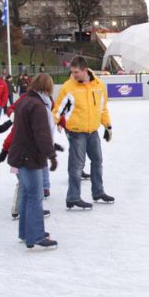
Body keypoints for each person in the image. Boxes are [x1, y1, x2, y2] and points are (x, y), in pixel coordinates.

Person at [53, 56, 114, 210]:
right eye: (72, 72)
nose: (74, 75)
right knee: (77, 166)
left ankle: (98, 192)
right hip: (76, 131)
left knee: (97, 161)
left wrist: (107, 126)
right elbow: (58, 109)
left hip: (93, 130)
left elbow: (102, 108)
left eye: (76, 72)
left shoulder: (99, 85)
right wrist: (50, 127)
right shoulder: (68, 87)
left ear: (85, 70)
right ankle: (73, 197)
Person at [9, 73, 59, 249]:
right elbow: (41, 134)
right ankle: (35, 235)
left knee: (26, 195)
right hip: (29, 157)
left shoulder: (24, 101)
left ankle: (25, 231)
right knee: (34, 196)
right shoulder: (37, 106)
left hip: (20, 154)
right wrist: (51, 155)